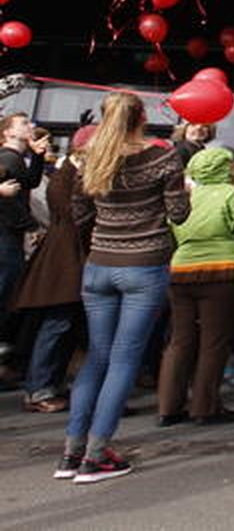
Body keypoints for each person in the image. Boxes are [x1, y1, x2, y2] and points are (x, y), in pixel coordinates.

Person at [60, 92, 189, 484]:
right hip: (143, 266)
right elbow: (178, 213)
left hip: (99, 265)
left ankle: (71, 453)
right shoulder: (162, 156)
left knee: (97, 357)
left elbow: (79, 214)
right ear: (142, 117)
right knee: (124, 359)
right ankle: (97, 455)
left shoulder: (91, 158)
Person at [157, 148, 234, 426]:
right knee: (214, 341)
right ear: (225, 168)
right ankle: (205, 407)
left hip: (181, 270)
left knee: (180, 340)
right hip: (221, 272)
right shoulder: (232, 195)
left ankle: (168, 407)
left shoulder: (185, 196)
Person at [13, 125, 95, 413]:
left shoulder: (70, 174)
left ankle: (50, 383)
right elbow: (75, 216)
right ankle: (39, 389)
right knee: (56, 325)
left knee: (65, 325)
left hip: (69, 257)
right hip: (64, 259)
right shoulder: (67, 177)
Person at [1, 112, 49, 349]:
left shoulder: (15, 159)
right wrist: (30, 225)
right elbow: (7, 202)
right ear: (8, 132)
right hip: (5, 238)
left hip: (11, 236)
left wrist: (38, 156)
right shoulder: (7, 158)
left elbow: (30, 182)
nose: (30, 125)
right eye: (23, 123)